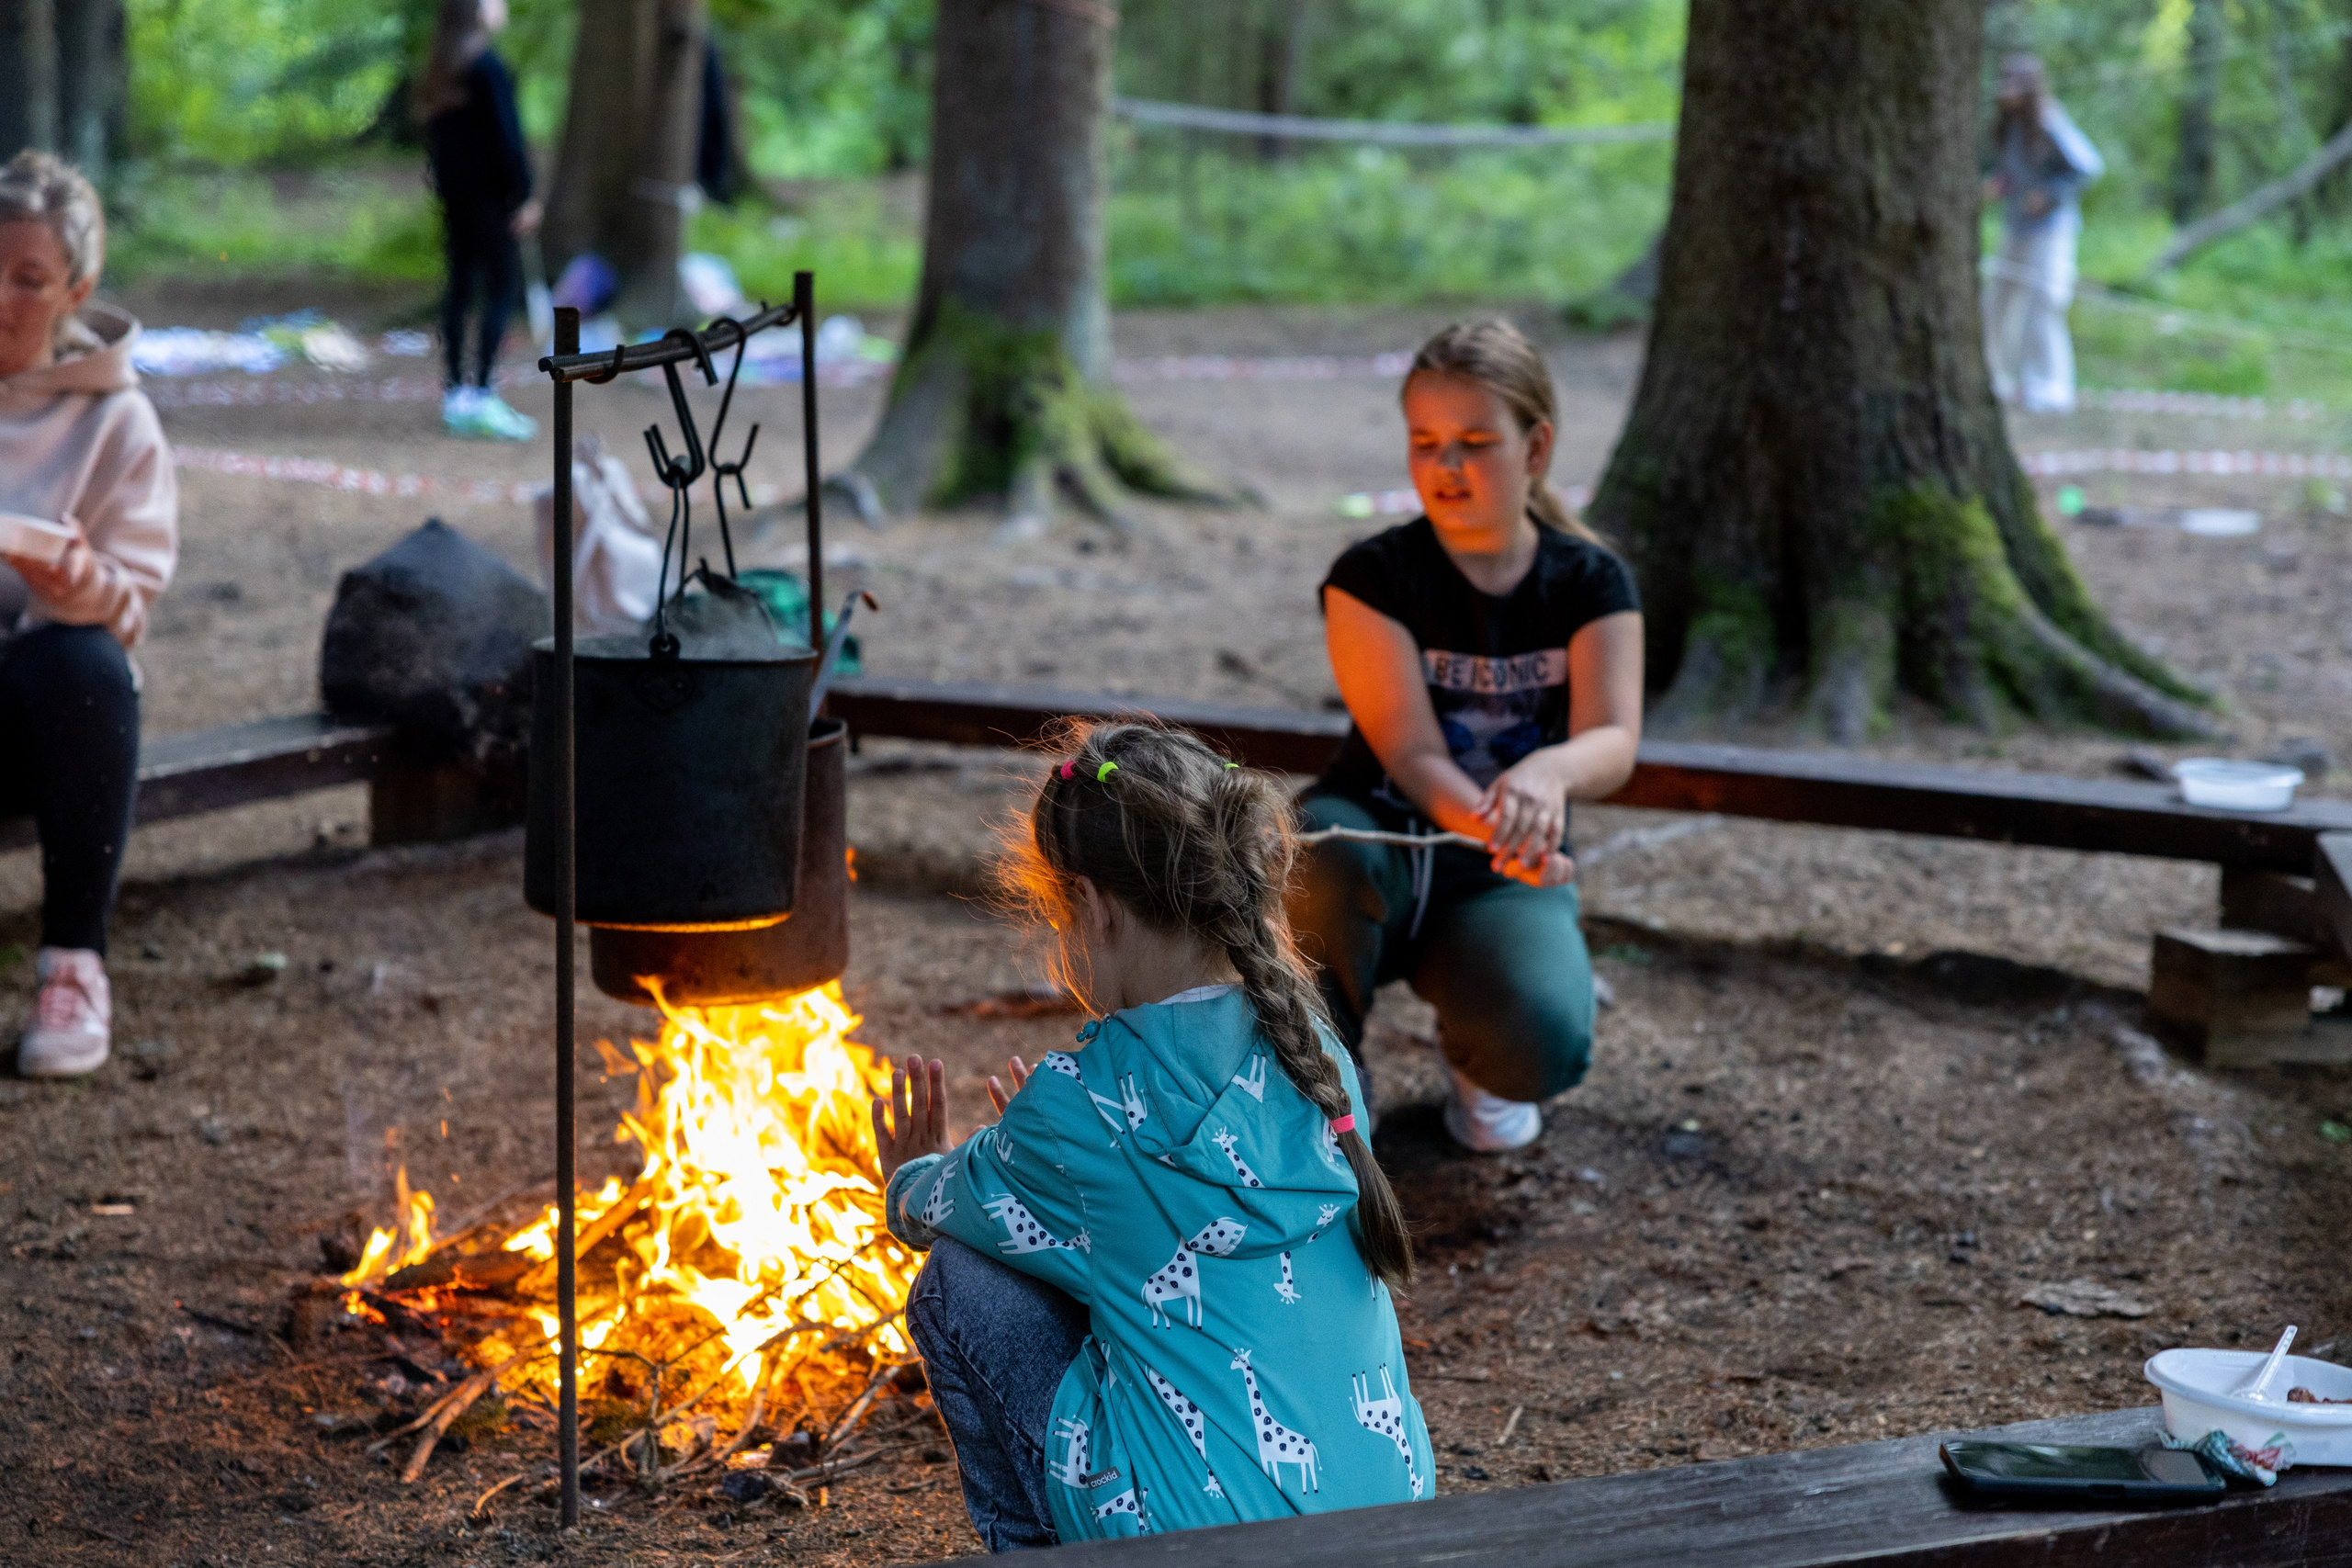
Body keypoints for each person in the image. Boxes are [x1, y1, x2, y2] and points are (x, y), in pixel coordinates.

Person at [874, 722, 1433, 1548]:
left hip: (1185, 1540)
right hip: (1395, 1509)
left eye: (1058, 915)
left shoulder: (1078, 1103)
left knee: (959, 1280)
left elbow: (933, 1207)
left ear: (1095, 907)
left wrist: (908, 1170)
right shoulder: (1318, 1052)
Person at [1287, 321, 1642, 1154]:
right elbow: (1413, 754)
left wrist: (1548, 774)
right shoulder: (1372, 576)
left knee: (1544, 1037)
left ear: (1536, 447)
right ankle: (1325, 1089)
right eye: (1426, 442)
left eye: (1475, 443)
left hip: (1500, 868)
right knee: (1314, 861)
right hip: (1376, 832)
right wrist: (1504, 826)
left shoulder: (1592, 579)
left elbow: (1614, 737)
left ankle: (1481, 1056)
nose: (1446, 465)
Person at [0, 151, 177, 1078]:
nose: (2, 299)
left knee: (87, 666)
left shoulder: (117, 421)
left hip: (34, 718)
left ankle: (74, 967)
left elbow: (128, 606)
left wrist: (73, 579)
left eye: (28, 279)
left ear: (75, 288)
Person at [417, 0, 541, 441]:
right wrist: (524, 195)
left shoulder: (441, 73)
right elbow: (507, 138)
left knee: (459, 289)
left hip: (457, 203)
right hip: (492, 201)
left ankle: (456, 392)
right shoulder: (487, 68)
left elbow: (437, 150)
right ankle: (484, 391)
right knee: (501, 287)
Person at [1982, 52, 2103, 415]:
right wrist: (2001, 185)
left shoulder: (2050, 120)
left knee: (2044, 302)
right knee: (1998, 298)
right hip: (2016, 226)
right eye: (2004, 81)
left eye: (2015, 83)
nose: (2006, 90)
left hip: (2051, 231)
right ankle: (1995, 376)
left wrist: (2049, 195)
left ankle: (2050, 385)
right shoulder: (2009, 126)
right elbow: (2015, 171)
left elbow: (2087, 167)